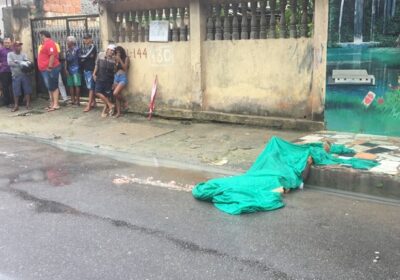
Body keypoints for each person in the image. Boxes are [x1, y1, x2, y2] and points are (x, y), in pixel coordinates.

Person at [38, 30, 61, 112]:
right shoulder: (44, 44)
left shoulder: (50, 43)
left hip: (51, 68)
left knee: (53, 86)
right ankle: (52, 104)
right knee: (50, 87)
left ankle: (56, 104)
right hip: (45, 69)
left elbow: (52, 55)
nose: (40, 37)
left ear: (43, 35)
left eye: (41, 36)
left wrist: (50, 66)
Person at [7, 41, 33, 111]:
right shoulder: (10, 54)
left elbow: (27, 63)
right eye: (17, 46)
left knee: (27, 90)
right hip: (15, 75)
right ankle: (16, 105)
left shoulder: (24, 54)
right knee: (16, 90)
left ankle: (28, 104)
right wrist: (21, 63)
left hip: (25, 74)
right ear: (14, 47)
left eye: (20, 46)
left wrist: (17, 62)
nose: (19, 47)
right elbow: (9, 63)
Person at [93, 44, 116, 117]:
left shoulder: (114, 59)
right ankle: (110, 105)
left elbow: (114, 72)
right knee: (97, 92)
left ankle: (104, 111)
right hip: (100, 77)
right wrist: (94, 74)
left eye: (113, 51)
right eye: (111, 50)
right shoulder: (100, 55)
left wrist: (114, 82)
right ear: (107, 49)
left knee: (107, 96)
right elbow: (96, 65)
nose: (112, 52)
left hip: (109, 80)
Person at [80, 34, 97, 112]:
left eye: (87, 39)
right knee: (90, 87)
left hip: (91, 69)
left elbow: (85, 56)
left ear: (90, 39)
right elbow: (84, 58)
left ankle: (89, 105)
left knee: (90, 88)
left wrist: (82, 57)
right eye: (84, 39)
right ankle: (94, 102)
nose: (85, 40)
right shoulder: (86, 48)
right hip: (86, 69)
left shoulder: (93, 47)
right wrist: (84, 57)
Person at [113, 46, 130, 118]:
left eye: (119, 52)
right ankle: (118, 112)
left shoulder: (126, 58)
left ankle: (125, 101)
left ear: (122, 52)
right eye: (116, 52)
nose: (118, 54)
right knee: (117, 96)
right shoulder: (116, 59)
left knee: (115, 93)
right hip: (116, 77)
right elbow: (115, 70)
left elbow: (125, 68)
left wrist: (119, 59)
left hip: (123, 77)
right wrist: (116, 62)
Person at [65, 36, 81, 106]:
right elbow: (66, 60)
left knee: (77, 85)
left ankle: (78, 101)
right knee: (70, 85)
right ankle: (72, 100)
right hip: (69, 69)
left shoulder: (77, 49)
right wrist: (65, 69)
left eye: (67, 41)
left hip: (76, 68)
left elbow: (80, 59)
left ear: (71, 42)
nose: (67, 43)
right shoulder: (67, 50)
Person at [0, 37, 13, 107]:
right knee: (5, 87)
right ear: (3, 43)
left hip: (12, 71)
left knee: (12, 87)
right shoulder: (1, 50)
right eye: (5, 43)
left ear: (11, 43)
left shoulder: (12, 50)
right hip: (3, 71)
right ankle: (8, 103)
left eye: (8, 42)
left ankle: (14, 101)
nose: (7, 44)